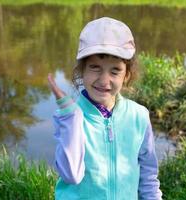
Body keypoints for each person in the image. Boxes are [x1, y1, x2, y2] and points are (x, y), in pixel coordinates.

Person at [48, 17, 162, 200]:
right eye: (95, 67)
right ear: (81, 71)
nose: (104, 80)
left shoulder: (139, 116)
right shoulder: (71, 118)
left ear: (127, 75)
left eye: (115, 71)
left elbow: (148, 177)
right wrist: (70, 116)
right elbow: (71, 175)